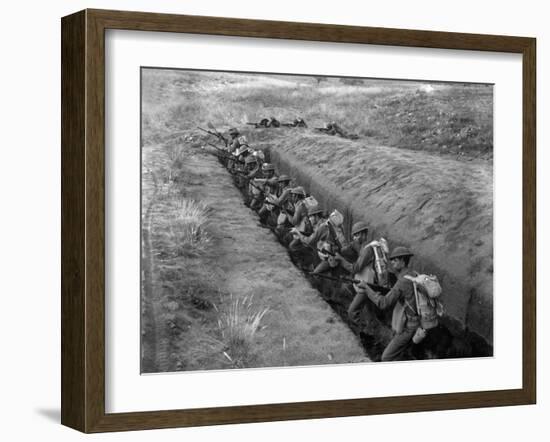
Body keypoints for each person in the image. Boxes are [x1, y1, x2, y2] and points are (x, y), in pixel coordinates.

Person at [354, 246, 421, 362]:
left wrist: (366, 288)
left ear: (402, 261)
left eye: (395, 260)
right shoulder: (413, 274)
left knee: (386, 357)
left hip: (408, 328)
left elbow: (383, 303)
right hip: (415, 322)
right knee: (398, 350)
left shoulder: (402, 282)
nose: (393, 263)